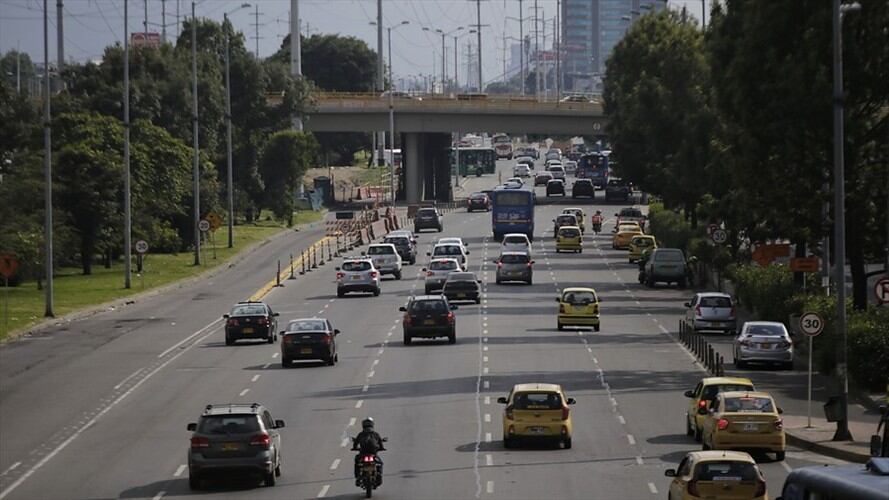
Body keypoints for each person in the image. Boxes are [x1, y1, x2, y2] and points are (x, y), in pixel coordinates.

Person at [352, 418, 385, 485]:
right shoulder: (375, 434)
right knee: (380, 463)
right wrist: (381, 448)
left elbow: (355, 443)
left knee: (357, 462)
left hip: (363, 454)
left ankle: (357, 476)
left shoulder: (361, 434)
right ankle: (379, 475)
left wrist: (354, 448)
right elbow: (380, 443)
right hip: (373, 453)